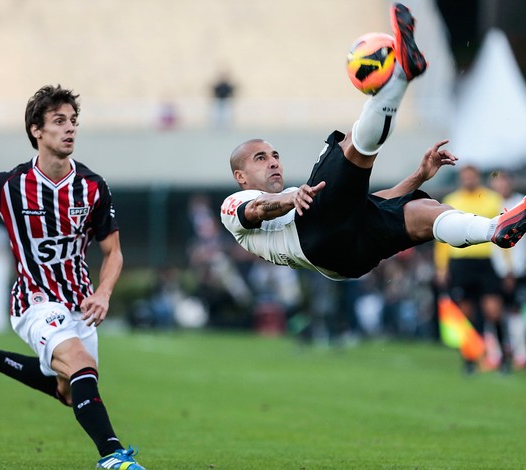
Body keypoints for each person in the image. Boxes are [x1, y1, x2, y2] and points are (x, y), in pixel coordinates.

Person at [0, 85, 145, 469]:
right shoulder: (10, 184)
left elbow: (113, 251)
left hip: (80, 303)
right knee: (82, 366)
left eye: (73, 121)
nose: (70, 129)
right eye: (59, 121)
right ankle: (113, 456)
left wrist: (103, 292)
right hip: (34, 301)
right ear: (36, 130)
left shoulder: (93, 187)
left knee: (69, 391)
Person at [220, 5, 526, 295]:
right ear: (241, 176)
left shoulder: (305, 202)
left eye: (275, 155)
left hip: (349, 258)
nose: (273, 162)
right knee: (348, 145)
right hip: (314, 238)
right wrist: (291, 196)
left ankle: (495, 229)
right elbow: (258, 209)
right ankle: (402, 75)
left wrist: (418, 177)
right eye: (261, 158)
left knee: (426, 213)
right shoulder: (234, 204)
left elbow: (372, 202)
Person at [435, 165, 510, 373]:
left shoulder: (493, 199)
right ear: (461, 178)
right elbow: (441, 237)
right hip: (460, 263)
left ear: (477, 177)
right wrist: (442, 267)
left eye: (472, 176)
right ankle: (470, 360)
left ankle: (503, 358)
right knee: (466, 314)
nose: (468, 179)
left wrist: (508, 267)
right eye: (465, 176)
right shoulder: (452, 200)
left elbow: (505, 232)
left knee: (493, 311)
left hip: (486, 261)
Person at [489, 169, 526, 369]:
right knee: (492, 311)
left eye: (504, 181)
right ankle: (496, 352)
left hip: (518, 268)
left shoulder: (521, 203)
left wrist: (513, 269)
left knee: (514, 310)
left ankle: (520, 352)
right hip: (493, 268)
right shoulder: (489, 204)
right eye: (496, 182)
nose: (500, 185)